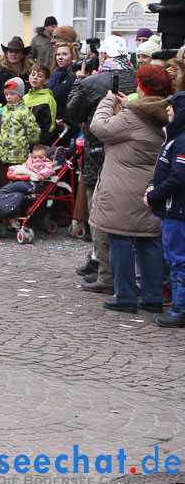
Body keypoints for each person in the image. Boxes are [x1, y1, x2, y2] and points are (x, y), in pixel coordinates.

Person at [89, 65, 171, 314]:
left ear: (142, 88)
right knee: (149, 242)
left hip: (123, 189)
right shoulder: (165, 112)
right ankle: (153, 297)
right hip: (151, 188)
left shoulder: (134, 116)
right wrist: (127, 107)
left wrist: (107, 102)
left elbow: (100, 128)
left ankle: (125, 295)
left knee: (120, 240)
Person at [67, 34, 137, 293]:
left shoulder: (93, 81)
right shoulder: (137, 78)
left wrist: (80, 80)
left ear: (104, 56)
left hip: (98, 153)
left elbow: (72, 113)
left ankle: (105, 272)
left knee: (100, 215)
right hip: (133, 155)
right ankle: (110, 268)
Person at [147, 91, 185, 327]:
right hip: (171, 209)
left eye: (171, 107)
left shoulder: (181, 140)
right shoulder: (175, 136)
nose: (167, 110)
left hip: (177, 211)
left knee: (178, 260)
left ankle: (180, 309)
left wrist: (154, 195)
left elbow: (179, 176)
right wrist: (151, 186)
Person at [0, 77, 41, 187]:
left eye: (12, 94)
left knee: (17, 184)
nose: (9, 97)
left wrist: (23, 144)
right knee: (4, 183)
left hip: (18, 157)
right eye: (6, 94)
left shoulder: (25, 112)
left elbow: (33, 134)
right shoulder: (5, 111)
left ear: (20, 95)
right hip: (4, 156)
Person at [0, 37, 33, 106]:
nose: (13, 54)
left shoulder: (31, 75)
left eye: (17, 52)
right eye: (10, 51)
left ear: (23, 54)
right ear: (6, 54)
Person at [24, 63, 57, 144]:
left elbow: (49, 127)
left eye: (39, 76)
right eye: (33, 74)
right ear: (29, 77)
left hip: (39, 142)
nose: (35, 77)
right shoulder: (25, 97)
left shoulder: (48, 99)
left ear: (46, 81)